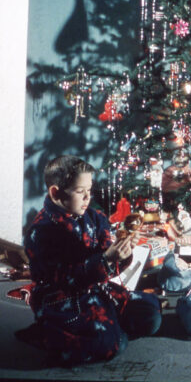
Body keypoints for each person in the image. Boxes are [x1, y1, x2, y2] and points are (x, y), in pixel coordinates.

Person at [18, 156, 162, 365]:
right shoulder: (42, 232)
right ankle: (49, 332)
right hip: (64, 299)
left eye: (89, 190)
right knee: (111, 344)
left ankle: (107, 326)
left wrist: (120, 254)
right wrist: (104, 259)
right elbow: (62, 279)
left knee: (151, 315)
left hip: (98, 292)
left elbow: (108, 263)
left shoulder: (95, 218)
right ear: (56, 193)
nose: (87, 197)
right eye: (80, 191)